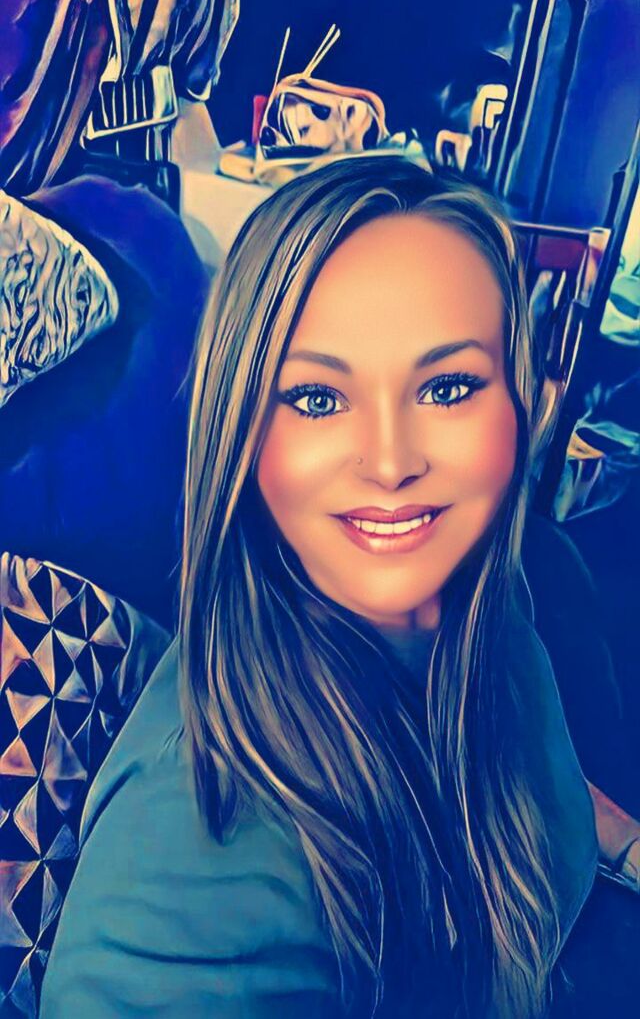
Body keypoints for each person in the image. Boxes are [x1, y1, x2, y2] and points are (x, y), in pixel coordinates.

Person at [39, 157, 597, 1019]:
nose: (392, 462)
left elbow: (526, 781)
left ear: (522, 406)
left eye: (448, 387)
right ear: (241, 433)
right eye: (317, 398)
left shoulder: (493, 597)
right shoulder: (199, 871)